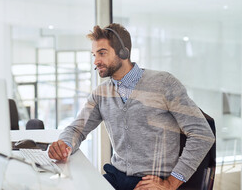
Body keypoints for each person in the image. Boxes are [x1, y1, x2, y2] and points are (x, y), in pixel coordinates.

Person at [48, 23, 215, 190]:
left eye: (102, 53)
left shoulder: (164, 84)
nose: (96, 61)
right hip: (116, 177)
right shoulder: (100, 94)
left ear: (123, 52)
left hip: (152, 182)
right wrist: (64, 144)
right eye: (94, 55)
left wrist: (172, 182)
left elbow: (202, 134)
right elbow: (77, 129)